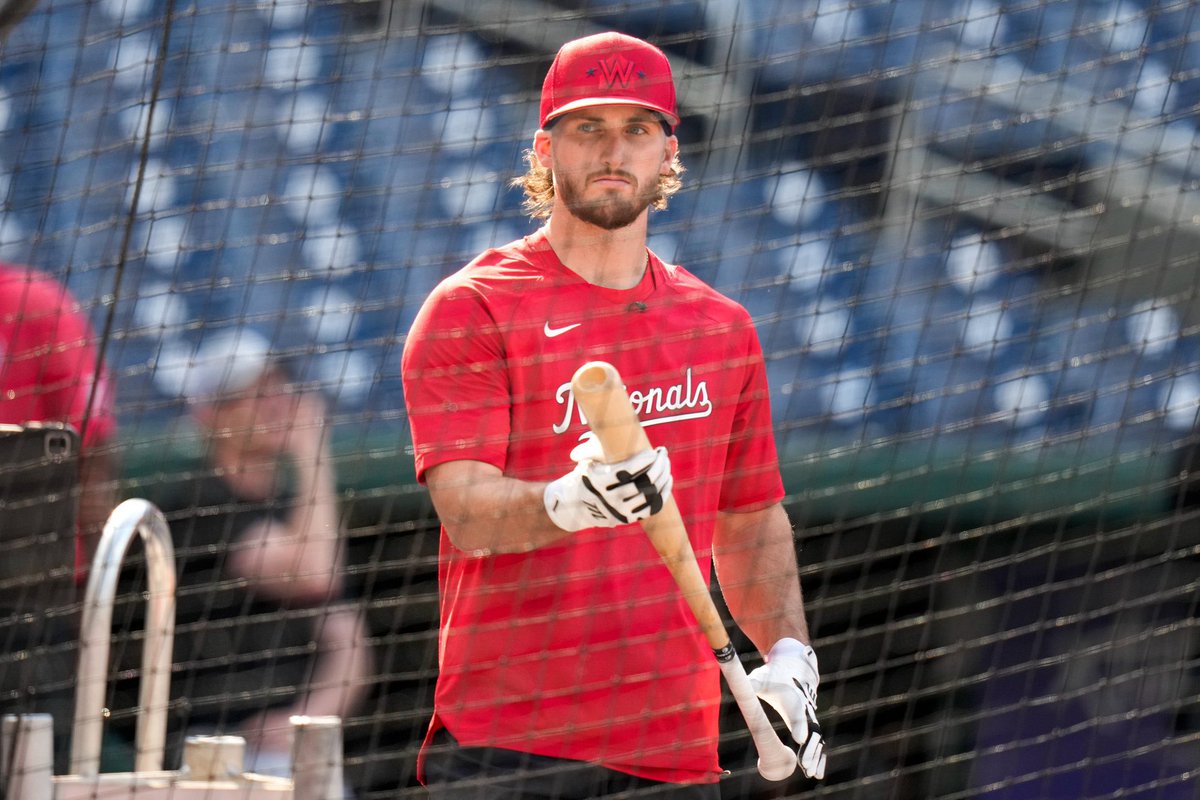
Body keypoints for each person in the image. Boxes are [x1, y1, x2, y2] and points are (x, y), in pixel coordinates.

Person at [400, 31, 826, 798]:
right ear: (545, 149)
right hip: (508, 750)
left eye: (637, 128)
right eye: (587, 126)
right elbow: (466, 511)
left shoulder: (721, 328)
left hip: (676, 757)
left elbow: (751, 520)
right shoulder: (473, 308)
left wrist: (790, 654)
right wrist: (572, 502)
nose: (613, 149)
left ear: (669, 152)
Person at [112, 330, 371, 777]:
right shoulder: (196, 504)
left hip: (285, 749)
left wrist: (308, 718)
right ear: (209, 415)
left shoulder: (293, 508)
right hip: (205, 746)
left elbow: (347, 637)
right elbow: (312, 575)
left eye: (279, 388)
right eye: (253, 395)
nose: (275, 404)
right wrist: (312, 454)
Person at [0, 261, 118, 773]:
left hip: (29, 603)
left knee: (37, 770)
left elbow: (93, 452)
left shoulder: (31, 300)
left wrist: (91, 594)